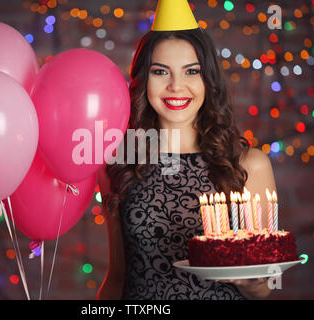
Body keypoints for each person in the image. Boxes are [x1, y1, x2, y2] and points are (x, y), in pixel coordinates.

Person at [96, 0, 277, 300]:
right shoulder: (119, 166)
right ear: (144, 79)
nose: (176, 86)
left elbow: (263, 289)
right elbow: (117, 276)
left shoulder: (251, 165)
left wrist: (252, 281)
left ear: (208, 79)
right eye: (161, 72)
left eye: (191, 71)